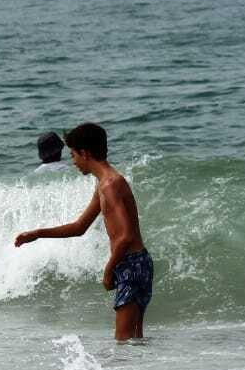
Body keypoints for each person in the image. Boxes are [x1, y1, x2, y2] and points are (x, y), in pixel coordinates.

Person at [14, 122, 152, 341]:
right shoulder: (103, 185)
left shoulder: (111, 185)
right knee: (134, 340)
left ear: (85, 153)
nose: (73, 161)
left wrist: (109, 270)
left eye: (73, 155)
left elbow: (126, 235)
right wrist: (37, 233)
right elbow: (79, 227)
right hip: (135, 263)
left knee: (124, 342)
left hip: (131, 264)